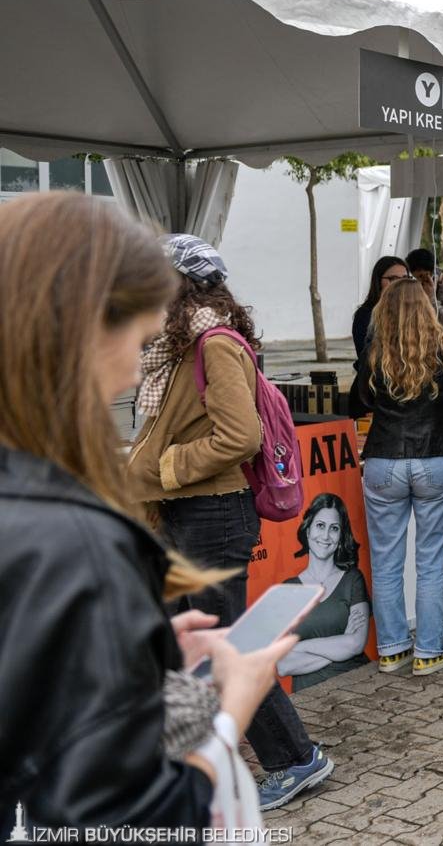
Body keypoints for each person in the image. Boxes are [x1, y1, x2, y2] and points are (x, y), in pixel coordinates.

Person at [0, 194, 299, 834]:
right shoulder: (75, 539)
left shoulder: (46, 516)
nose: (137, 365)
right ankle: (296, 754)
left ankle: (297, 757)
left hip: (209, 511)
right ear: (87, 330)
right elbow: (129, 817)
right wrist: (223, 716)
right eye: (136, 331)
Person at [126, 234, 332, 810]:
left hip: (212, 513)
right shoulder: (178, 346)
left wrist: (167, 468)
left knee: (228, 647)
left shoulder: (212, 344)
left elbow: (241, 437)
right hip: (189, 513)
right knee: (190, 645)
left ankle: (296, 758)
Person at [347, 277, 443, 679]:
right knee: (431, 562)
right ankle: (430, 651)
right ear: (428, 308)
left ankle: (392, 649)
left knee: (385, 562)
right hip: (436, 458)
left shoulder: (374, 351)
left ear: (384, 310)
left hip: (384, 460)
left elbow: (357, 401)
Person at [277, 494, 371, 689]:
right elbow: (283, 665)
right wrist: (341, 644)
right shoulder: (287, 589)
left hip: (358, 684)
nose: (326, 536)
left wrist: (299, 648)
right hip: (309, 698)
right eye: (320, 525)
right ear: (308, 528)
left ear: (341, 535)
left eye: (334, 528)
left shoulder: (353, 579)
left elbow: (356, 644)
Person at [351, 256, 408, 357]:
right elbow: (366, 357)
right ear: (378, 281)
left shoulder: (413, 310)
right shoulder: (365, 314)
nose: (400, 284)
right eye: (393, 279)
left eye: (405, 279)